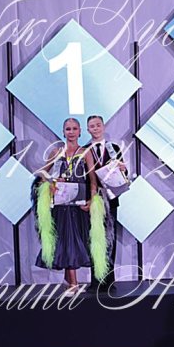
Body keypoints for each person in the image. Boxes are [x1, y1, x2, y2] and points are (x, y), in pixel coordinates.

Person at [34, 118, 108, 295]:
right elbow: (42, 174)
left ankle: (70, 283)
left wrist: (92, 200)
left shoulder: (86, 152)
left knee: (76, 242)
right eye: (68, 129)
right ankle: (73, 283)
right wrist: (52, 182)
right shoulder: (56, 151)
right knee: (65, 241)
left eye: (75, 129)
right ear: (63, 132)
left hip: (78, 205)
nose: (72, 132)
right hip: (61, 205)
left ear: (80, 131)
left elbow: (92, 180)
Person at [86, 114, 124, 289]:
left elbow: (122, 172)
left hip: (111, 199)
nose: (95, 128)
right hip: (92, 199)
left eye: (98, 125)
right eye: (92, 126)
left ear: (103, 126)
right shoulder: (84, 150)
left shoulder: (113, 148)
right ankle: (96, 280)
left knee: (110, 239)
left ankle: (109, 280)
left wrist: (123, 168)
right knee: (95, 239)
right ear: (88, 130)